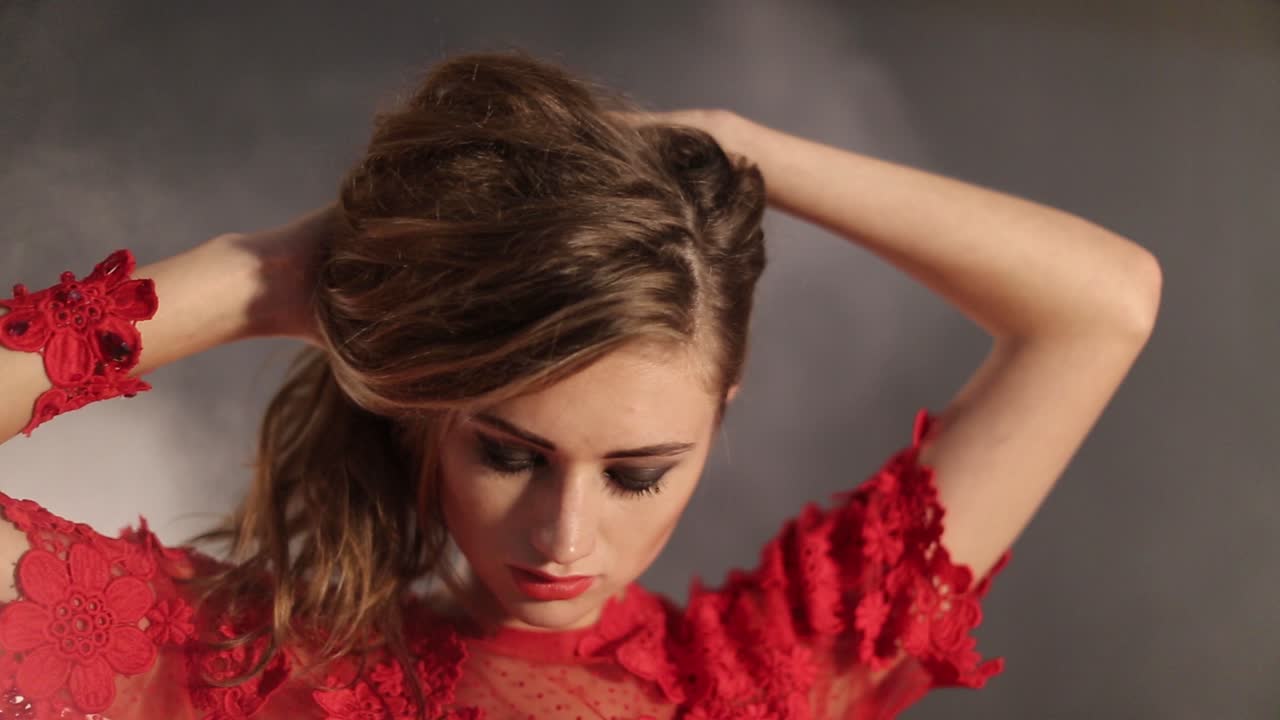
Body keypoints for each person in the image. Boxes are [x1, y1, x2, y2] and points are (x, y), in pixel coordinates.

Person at [0, 50, 1161, 719]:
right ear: (423, 415)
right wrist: (266, 278)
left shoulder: (765, 678)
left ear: (720, 413)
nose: (566, 535)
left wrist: (725, 146)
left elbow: (1100, 304)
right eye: (508, 452)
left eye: (638, 474)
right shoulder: (241, 666)